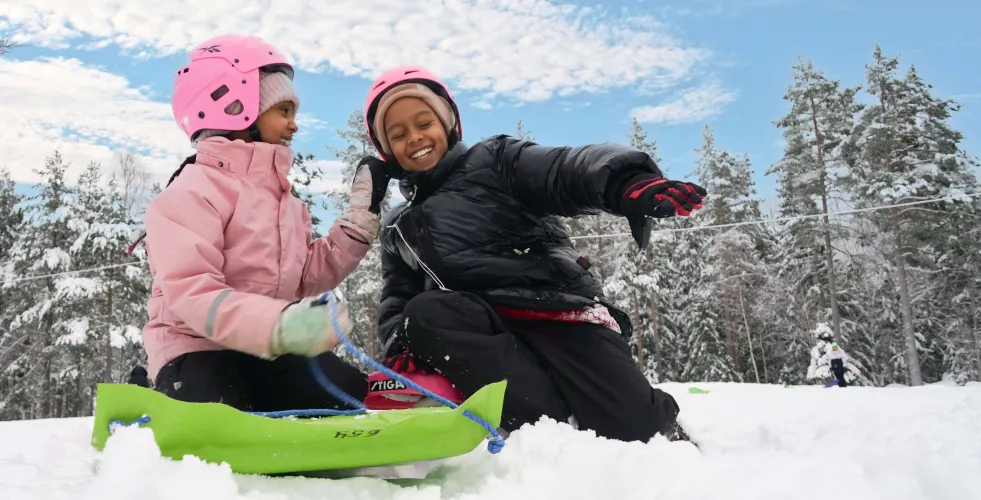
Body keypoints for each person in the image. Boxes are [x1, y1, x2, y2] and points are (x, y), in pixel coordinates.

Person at [361, 65, 707, 443]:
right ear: (387, 150)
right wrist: (401, 345)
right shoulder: (397, 225)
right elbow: (398, 294)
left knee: (641, 431)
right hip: (486, 335)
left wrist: (625, 182)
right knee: (424, 313)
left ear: (447, 123)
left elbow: (563, 171)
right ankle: (550, 431)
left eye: (423, 123)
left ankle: (637, 426)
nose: (414, 138)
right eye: (398, 134)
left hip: (557, 314)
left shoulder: (495, 161)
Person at [135, 34, 390, 413]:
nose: (294, 125)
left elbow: (303, 278)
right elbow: (193, 294)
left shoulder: (284, 203)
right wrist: (280, 325)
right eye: (284, 111)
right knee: (214, 405)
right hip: (195, 349)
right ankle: (153, 389)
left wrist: (355, 228)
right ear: (234, 106)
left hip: (268, 351)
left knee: (346, 395)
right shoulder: (189, 194)